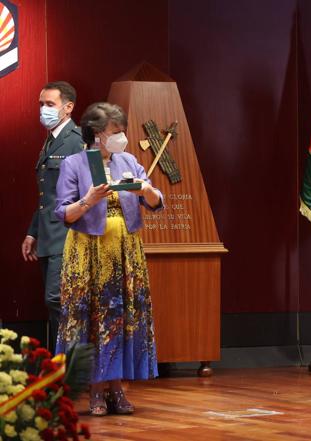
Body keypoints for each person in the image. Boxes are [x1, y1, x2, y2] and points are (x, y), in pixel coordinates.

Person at [54, 102, 162, 416]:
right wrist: (88, 200)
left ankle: (117, 388)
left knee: (121, 317)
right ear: (98, 135)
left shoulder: (128, 160)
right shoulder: (75, 164)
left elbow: (156, 200)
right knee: (92, 319)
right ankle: (95, 391)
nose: (122, 138)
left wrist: (146, 191)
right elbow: (65, 212)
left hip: (125, 251)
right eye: (116, 132)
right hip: (89, 251)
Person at [22, 81, 84, 353]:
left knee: (59, 299)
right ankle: (61, 369)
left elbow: (87, 192)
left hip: (69, 235)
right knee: (54, 303)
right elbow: (47, 195)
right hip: (49, 235)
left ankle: (72, 369)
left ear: (68, 107)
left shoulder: (77, 141)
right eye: (41, 104)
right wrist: (32, 232)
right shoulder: (51, 140)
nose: (44, 110)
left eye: (50, 104)